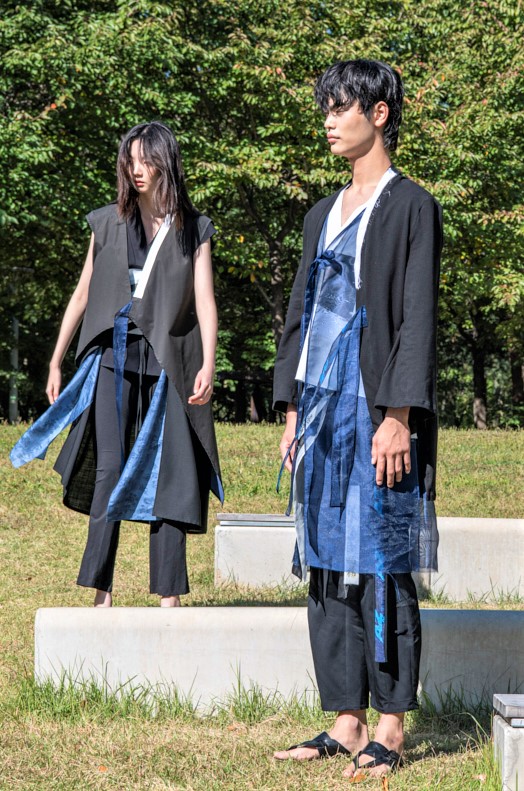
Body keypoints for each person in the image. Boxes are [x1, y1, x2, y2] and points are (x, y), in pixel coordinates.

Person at [272, 60, 442, 778]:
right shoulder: (321, 213)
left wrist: (398, 413)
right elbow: (302, 313)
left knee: (382, 558)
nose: (328, 120)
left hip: (378, 409)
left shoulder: (412, 206)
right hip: (321, 410)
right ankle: (345, 719)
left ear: (379, 114)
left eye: (341, 107)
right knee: (324, 561)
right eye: (326, 108)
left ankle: (392, 726)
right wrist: (291, 408)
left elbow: (417, 316)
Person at [11, 121, 223, 608]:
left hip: (170, 362)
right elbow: (83, 293)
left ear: (166, 163)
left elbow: (205, 300)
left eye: (146, 160)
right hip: (113, 356)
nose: (136, 169)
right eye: (130, 160)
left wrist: (209, 362)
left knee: (170, 471)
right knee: (109, 466)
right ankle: (101, 594)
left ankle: (168, 597)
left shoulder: (194, 228)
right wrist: (56, 360)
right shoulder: (107, 222)